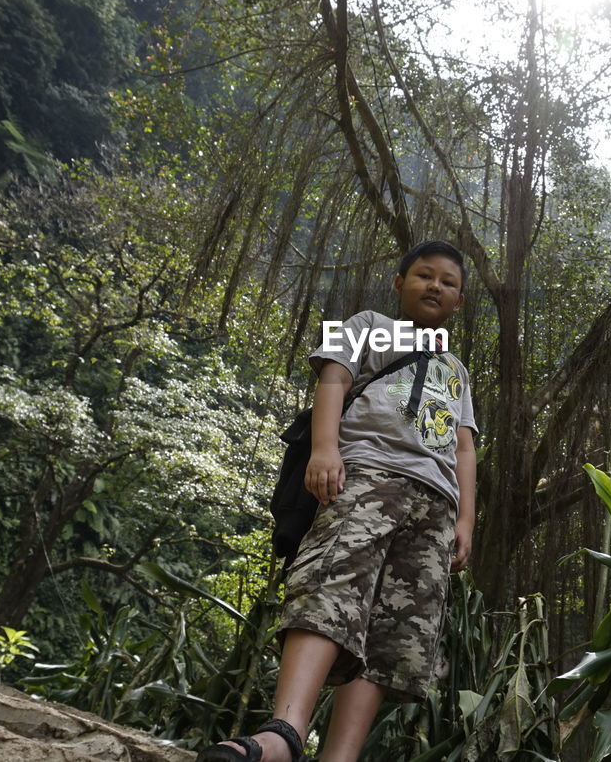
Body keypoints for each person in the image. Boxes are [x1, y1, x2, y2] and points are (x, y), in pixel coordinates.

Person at [196, 240, 478, 762]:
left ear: (458, 302)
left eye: (448, 282)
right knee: (330, 587)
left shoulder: (458, 370)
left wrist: (466, 519)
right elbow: (332, 379)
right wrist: (325, 449)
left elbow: (464, 446)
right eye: (423, 275)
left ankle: (341, 756)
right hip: (368, 474)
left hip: (436, 505)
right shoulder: (362, 321)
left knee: (391, 633)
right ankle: (285, 733)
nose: (435, 286)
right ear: (399, 284)